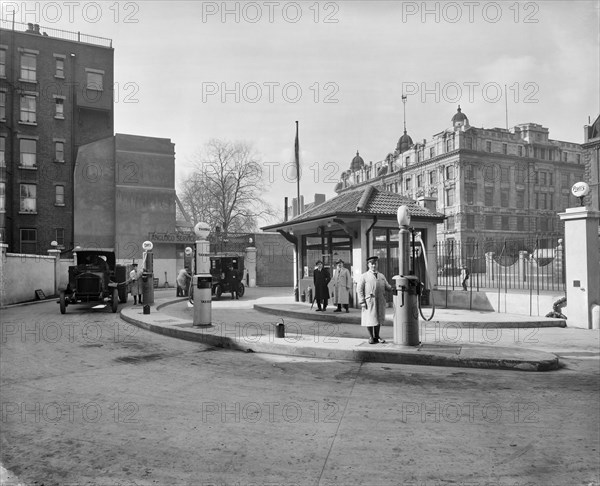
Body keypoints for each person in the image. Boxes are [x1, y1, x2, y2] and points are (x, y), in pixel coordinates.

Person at [357, 255, 392, 344]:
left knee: (378, 319)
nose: (373, 265)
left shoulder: (381, 276)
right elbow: (359, 289)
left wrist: (397, 287)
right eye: (371, 264)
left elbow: (388, 287)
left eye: (375, 263)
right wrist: (362, 302)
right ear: (368, 265)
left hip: (380, 301)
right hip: (369, 301)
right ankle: (371, 337)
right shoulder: (364, 276)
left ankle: (377, 336)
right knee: (369, 319)